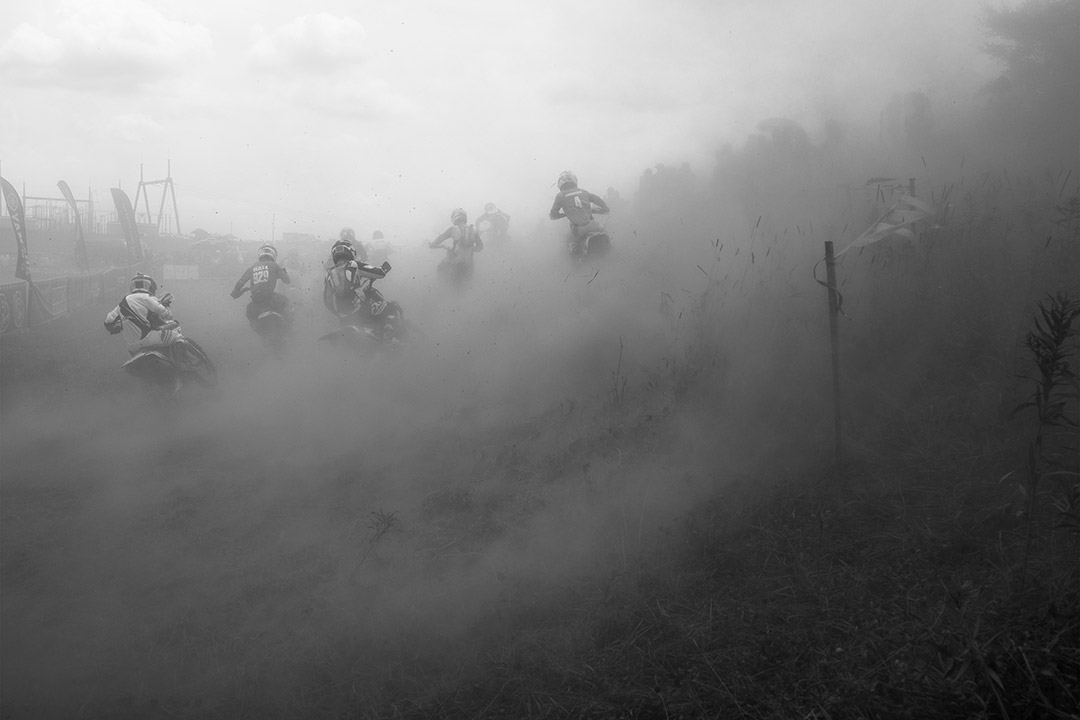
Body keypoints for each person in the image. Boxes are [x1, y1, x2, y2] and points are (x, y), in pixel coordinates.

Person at [104, 272, 184, 364]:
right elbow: (166, 315)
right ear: (150, 286)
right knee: (178, 336)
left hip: (132, 347)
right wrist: (166, 305)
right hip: (151, 339)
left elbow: (108, 322)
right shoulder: (147, 297)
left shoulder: (123, 302)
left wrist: (122, 325)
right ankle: (179, 366)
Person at [323, 238, 392, 330]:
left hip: (344, 317)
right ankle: (389, 335)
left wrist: (338, 314)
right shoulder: (353, 264)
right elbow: (379, 273)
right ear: (350, 251)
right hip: (361, 309)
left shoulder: (329, 274)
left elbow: (328, 302)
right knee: (390, 310)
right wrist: (383, 269)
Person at [548, 171, 610, 258]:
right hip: (593, 225)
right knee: (604, 230)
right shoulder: (584, 192)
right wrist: (605, 209)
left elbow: (554, 214)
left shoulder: (560, 196)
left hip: (578, 230)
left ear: (560, 183)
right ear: (574, 181)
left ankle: (576, 263)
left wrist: (564, 214)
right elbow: (598, 200)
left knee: (569, 240)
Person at [230, 244, 292, 328]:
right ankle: (288, 326)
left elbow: (241, 281)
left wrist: (236, 291)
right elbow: (287, 281)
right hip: (269, 298)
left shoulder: (252, 267)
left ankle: (255, 327)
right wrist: (283, 273)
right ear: (273, 255)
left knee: (249, 314)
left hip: (255, 300)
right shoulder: (274, 265)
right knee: (286, 302)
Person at [429, 208, 483, 283]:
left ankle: (440, 289)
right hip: (469, 263)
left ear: (454, 218)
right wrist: (470, 248)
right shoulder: (473, 230)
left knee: (441, 268)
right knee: (470, 283)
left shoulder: (453, 229)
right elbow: (480, 247)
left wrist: (432, 244)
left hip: (454, 261)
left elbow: (440, 239)